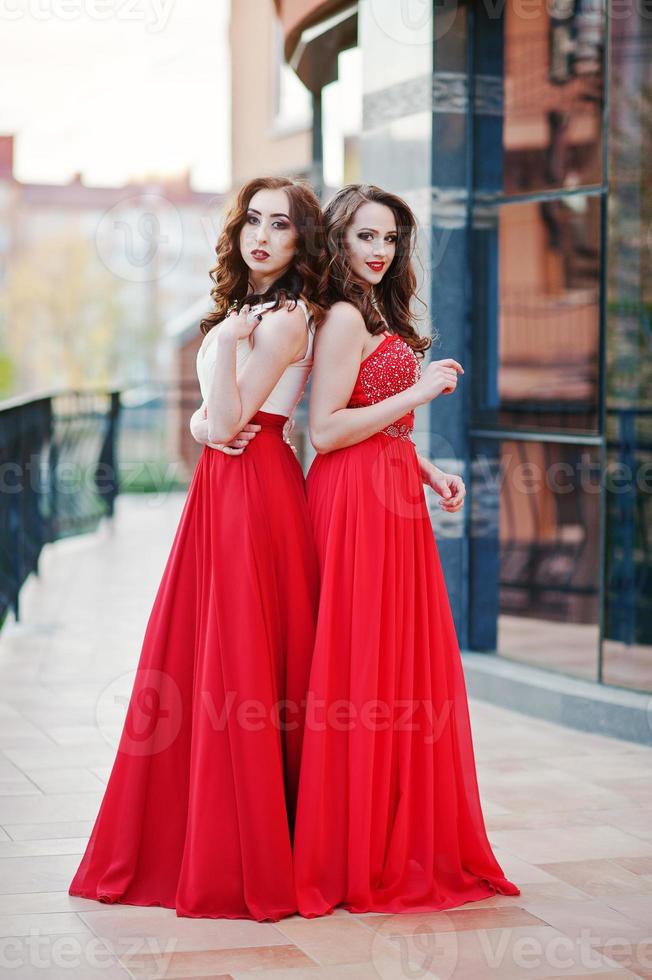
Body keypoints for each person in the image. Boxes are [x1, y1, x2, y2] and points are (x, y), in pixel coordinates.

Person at [69, 176, 325, 922]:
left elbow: (225, 421)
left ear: (301, 241)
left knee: (242, 655)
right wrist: (208, 406)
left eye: (280, 225)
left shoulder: (282, 320)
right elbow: (208, 426)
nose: (262, 236)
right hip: (227, 485)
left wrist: (219, 356)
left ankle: (241, 847)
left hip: (255, 487)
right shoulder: (248, 314)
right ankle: (199, 831)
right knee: (201, 650)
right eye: (252, 221)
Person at [291, 183, 521, 915]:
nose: (380, 251)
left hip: (390, 494)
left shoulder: (374, 310)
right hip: (352, 503)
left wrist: (427, 468)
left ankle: (390, 834)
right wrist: (419, 394)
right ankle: (354, 848)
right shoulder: (340, 320)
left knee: (395, 668)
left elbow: (369, 422)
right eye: (365, 236)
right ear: (337, 241)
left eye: (390, 238)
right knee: (360, 667)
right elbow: (325, 431)